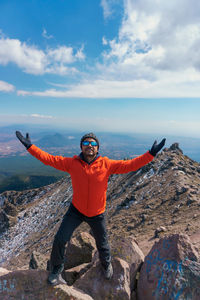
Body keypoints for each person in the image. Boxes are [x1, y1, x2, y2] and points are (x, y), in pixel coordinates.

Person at [16, 131, 166, 285]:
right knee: (60, 239)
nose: (90, 146)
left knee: (102, 243)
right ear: (81, 147)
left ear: (97, 148)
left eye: (93, 143)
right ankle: (56, 270)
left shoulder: (106, 164)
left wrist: (151, 153)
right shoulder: (72, 163)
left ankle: (106, 264)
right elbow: (49, 159)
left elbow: (131, 165)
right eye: (86, 143)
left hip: (97, 213)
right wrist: (30, 147)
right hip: (76, 210)